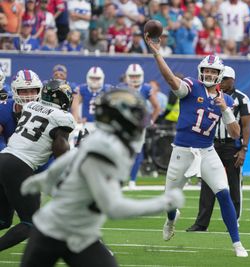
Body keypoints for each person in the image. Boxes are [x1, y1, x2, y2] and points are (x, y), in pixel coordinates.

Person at [19, 89, 184, 267]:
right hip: (51, 231)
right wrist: (163, 203)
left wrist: (45, 179)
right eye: (136, 116)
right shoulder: (104, 151)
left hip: (82, 234)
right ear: (120, 120)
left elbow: (72, 157)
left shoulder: (104, 140)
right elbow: (114, 208)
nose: (139, 123)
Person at [145, 33, 248, 257]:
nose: (209, 74)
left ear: (219, 75)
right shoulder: (192, 87)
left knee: (223, 192)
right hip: (182, 151)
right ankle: (171, 220)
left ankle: (237, 243)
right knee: (169, 201)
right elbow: (172, 80)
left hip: (207, 151)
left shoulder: (227, 99)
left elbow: (235, 133)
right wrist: (157, 54)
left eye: (213, 71)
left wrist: (225, 109)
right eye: (207, 70)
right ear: (202, 72)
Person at [0, 76, 75, 252]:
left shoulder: (31, 106)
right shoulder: (62, 117)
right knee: (30, 224)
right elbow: (60, 149)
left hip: (3, 158)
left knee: (3, 219)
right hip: (19, 166)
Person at [186, 65, 250, 232]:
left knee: (234, 184)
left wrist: (244, 149)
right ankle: (201, 223)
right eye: (220, 79)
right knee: (207, 184)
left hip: (232, 146)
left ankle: (234, 220)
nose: (221, 82)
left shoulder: (241, 98)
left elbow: (246, 125)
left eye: (225, 80)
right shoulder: (210, 95)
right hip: (212, 143)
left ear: (233, 80)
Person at [119, 63, 161, 189]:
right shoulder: (122, 87)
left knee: (137, 152)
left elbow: (157, 107)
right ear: (127, 76)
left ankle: (132, 180)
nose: (135, 78)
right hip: (124, 124)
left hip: (138, 125)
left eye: (137, 76)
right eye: (132, 76)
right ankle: (120, 179)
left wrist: (151, 120)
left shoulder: (146, 88)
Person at [71, 66, 110, 132]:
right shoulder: (82, 89)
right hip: (86, 123)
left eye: (97, 78)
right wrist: (76, 119)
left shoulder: (107, 90)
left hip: (102, 124)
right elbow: (75, 104)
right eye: (92, 78)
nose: (94, 81)